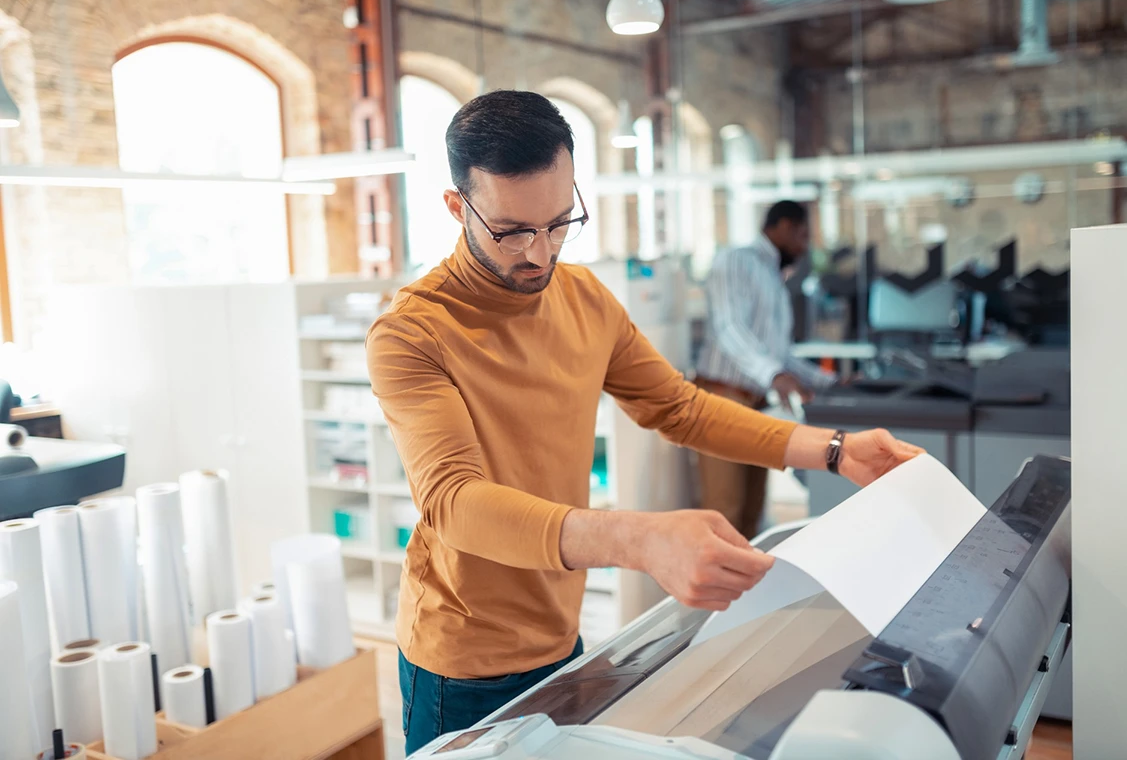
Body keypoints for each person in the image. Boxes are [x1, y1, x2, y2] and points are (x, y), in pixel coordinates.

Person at [366, 91, 922, 754]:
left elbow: (678, 406)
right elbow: (455, 503)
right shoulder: (412, 334)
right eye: (512, 231)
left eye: (560, 222)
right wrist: (639, 542)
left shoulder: (583, 298)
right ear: (459, 209)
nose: (541, 254)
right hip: (460, 659)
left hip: (560, 634)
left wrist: (834, 450)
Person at [693, 201, 837, 539]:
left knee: (752, 516)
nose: (805, 247)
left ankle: (741, 592)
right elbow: (729, 328)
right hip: (722, 399)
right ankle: (716, 594)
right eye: (802, 235)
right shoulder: (736, 260)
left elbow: (779, 354)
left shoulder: (773, 276)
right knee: (724, 515)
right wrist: (774, 375)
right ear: (783, 226)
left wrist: (831, 382)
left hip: (754, 404)